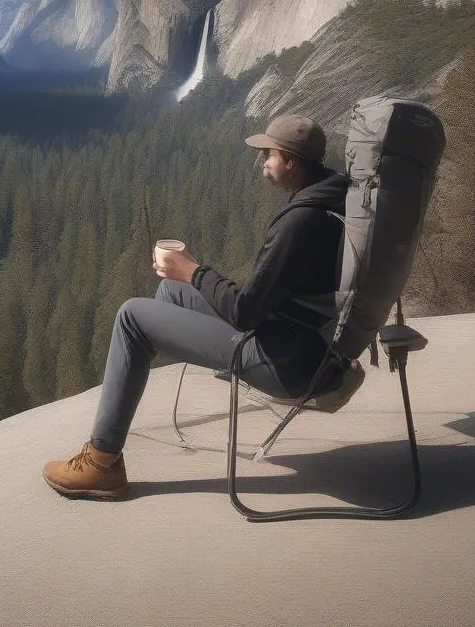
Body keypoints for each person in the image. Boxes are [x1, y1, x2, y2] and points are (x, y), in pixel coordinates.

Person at [42, 113, 360, 500]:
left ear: (291, 161)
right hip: (301, 339)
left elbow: (245, 312)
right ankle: (126, 403)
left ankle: (101, 462)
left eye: (268, 155)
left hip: (285, 360)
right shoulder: (330, 198)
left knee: (131, 318)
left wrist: (192, 270)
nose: (263, 163)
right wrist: (187, 277)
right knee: (171, 293)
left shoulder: (300, 223)